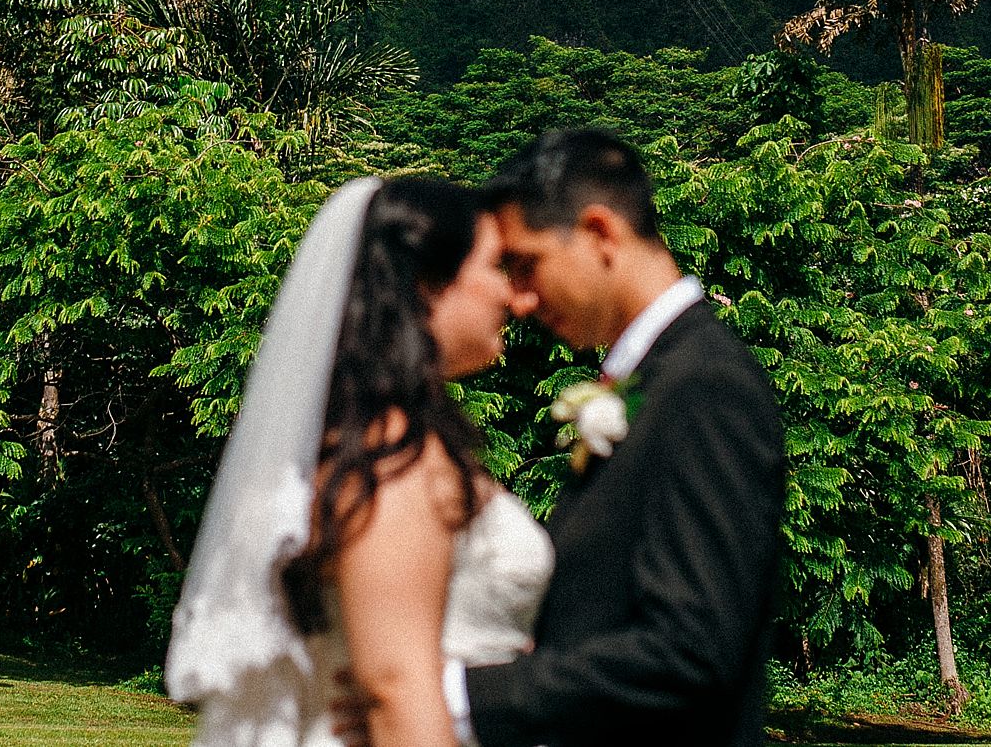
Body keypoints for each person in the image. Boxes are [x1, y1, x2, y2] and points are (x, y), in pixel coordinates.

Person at [165, 176, 552, 747]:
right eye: (499, 268)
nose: (519, 298)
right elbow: (395, 687)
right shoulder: (391, 456)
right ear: (426, 285)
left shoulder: (389, 442)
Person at [446, 127, 786, 747]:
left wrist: (459, 695)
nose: (519, 300)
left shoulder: (706, 384)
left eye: (528, 265)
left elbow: (690, 651)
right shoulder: (652, 380)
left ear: (600, 233)